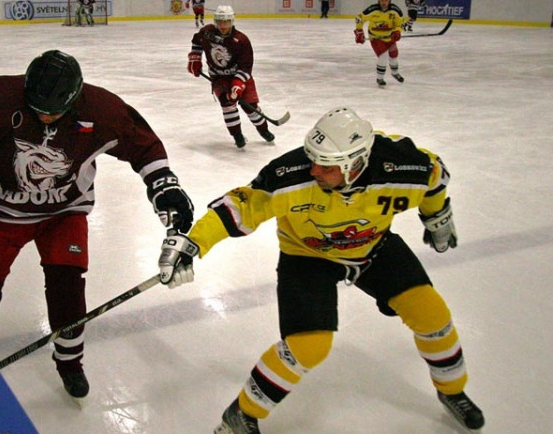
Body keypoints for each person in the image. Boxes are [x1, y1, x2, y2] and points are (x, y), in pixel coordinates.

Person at [158, 107, 485, 433]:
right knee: (308, 346)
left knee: (433, 316)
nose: (313, 168)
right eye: (312, 157)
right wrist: (194, 244)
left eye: (325, 165)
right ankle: (241, 415)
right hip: (306, 256)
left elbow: (435, 178)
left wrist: (438, 217)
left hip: (374, 247)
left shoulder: (403, 166)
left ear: (354, 164)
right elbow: (241, 206)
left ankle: (452, 391)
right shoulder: (291, 174)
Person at [0, 50, 194, 402]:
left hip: (65, 213)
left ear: (76, 97)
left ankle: (70, 362)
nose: (46, 116)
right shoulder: (1, 97)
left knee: (67, 286)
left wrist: (163, 184)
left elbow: (142, 143)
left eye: (55, 109)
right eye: (38, 107)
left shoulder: (100, 110)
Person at [187, 5, 275, 149]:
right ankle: (237, 136)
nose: (223, 25)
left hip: (240, 77)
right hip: (218, 78)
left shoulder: (241, 40)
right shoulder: (207, 32)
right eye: (220, 21)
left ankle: (263, 130)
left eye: (226, 22)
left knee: (250, 107)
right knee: (227, 106)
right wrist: (195, 58)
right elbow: (197, 41)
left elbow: (246, 66)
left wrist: (238, 83)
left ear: (232, 21)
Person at [354, 0, 407, 87]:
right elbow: (359, 18)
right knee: (383, 56)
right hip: (376, 37)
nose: (384, 3)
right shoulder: (372, 9)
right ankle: (380, 78)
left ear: (389, 1)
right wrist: (359, 31)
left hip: (390, 37)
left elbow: (401, 23)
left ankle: (395, 73)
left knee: (394, 54)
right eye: (382, 0)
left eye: (386, 1)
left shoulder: (395, 10)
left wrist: (397, 31)